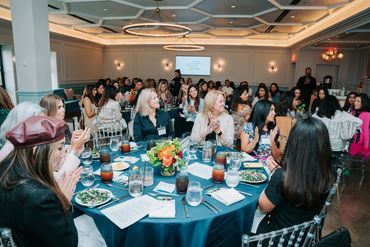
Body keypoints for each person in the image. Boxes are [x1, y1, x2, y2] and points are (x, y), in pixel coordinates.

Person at [0, 116, 80, 246]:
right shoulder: (40, 198)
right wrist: (64, 203)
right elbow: (69, 243)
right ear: (36, 150)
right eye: (59, 148)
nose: (64, 154)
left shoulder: (6, 169)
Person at [256, 117, 335, 233]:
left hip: (276, 239)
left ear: (295, 144)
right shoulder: (329, 174)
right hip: (304, 237)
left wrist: (275, 174)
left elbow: (263, 206)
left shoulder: (282, 177)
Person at [349, 93, 370, 159]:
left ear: (363, 103)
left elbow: (366, 131)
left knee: (357, 162)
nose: (355, 102)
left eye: (358, 101)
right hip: (351, 140)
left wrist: (366, 147)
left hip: (359, 142)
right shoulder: (353, 112)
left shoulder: (367, 114)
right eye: (355, 101)